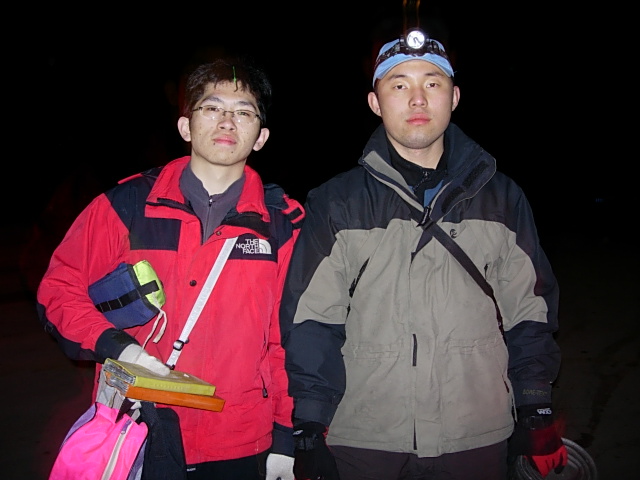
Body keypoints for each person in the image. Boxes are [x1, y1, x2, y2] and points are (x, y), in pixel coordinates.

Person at [280, 28, 568, 480]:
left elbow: (529, 310)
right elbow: (312, 319)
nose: (417, 98)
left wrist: (535, 405)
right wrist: (310, 427)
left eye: (432, 83)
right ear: (375, 103)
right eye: (399, 85)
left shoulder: (503, 198)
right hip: (365, 438)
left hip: (476, 433)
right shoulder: (336, 202)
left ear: (454, 97)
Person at [37, 55, 304, 480]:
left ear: (261, 137)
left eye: (244, 112)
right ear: (185, 126)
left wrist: (286, 437)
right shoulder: (126, 206)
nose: (227, 122)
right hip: (139, 426)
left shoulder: (283, 226)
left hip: (239, 439)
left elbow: (288, 341)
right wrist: (118, 347)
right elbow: (58, 291)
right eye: (211, 108)